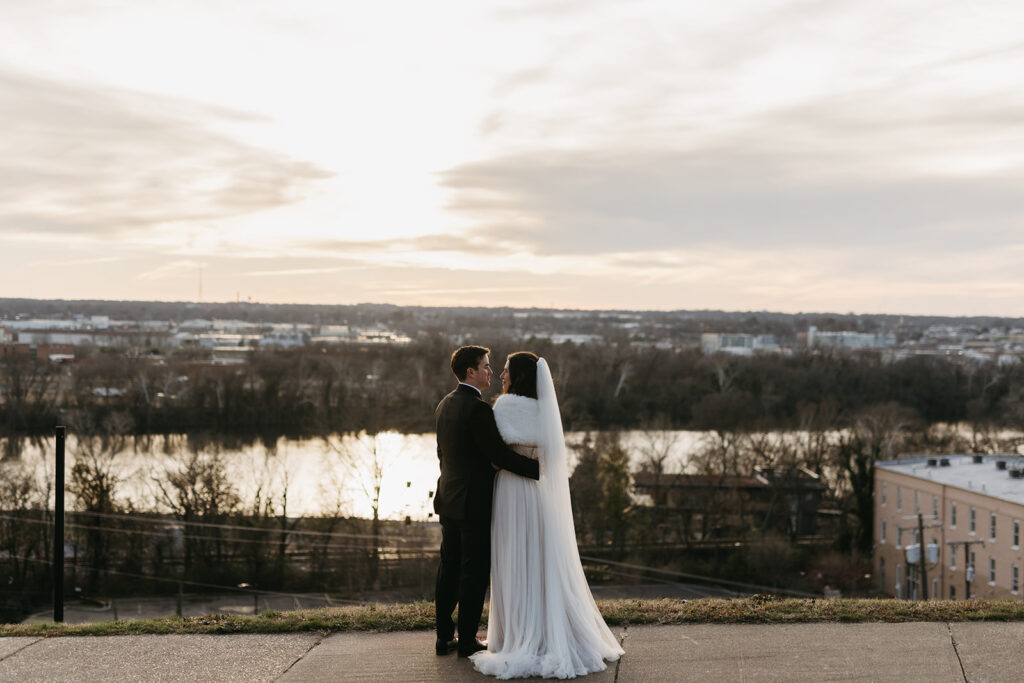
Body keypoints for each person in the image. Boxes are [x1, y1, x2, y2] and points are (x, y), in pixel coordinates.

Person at [471, 352, 624, 679]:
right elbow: (547, 463)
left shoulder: (506, 406)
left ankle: (513, 636)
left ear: (519, 376)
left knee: (512, 560)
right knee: (539, 561)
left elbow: (496, 456)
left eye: (507, 371)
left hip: (512, 493)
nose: (501, 376)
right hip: (539, 496)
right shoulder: (546, 411)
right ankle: (545, 630)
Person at [433, 346, 541, 658]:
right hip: (473, 504)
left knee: (448, 569)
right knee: (474, 572)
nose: (491, 372)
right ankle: (466, 640)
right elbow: (499, 455)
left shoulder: (445, 404)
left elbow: (444, 455)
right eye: (485, 366)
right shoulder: (477, 409)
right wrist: (539, 471)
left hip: (448, 499)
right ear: (471, 372)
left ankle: (443, 637)